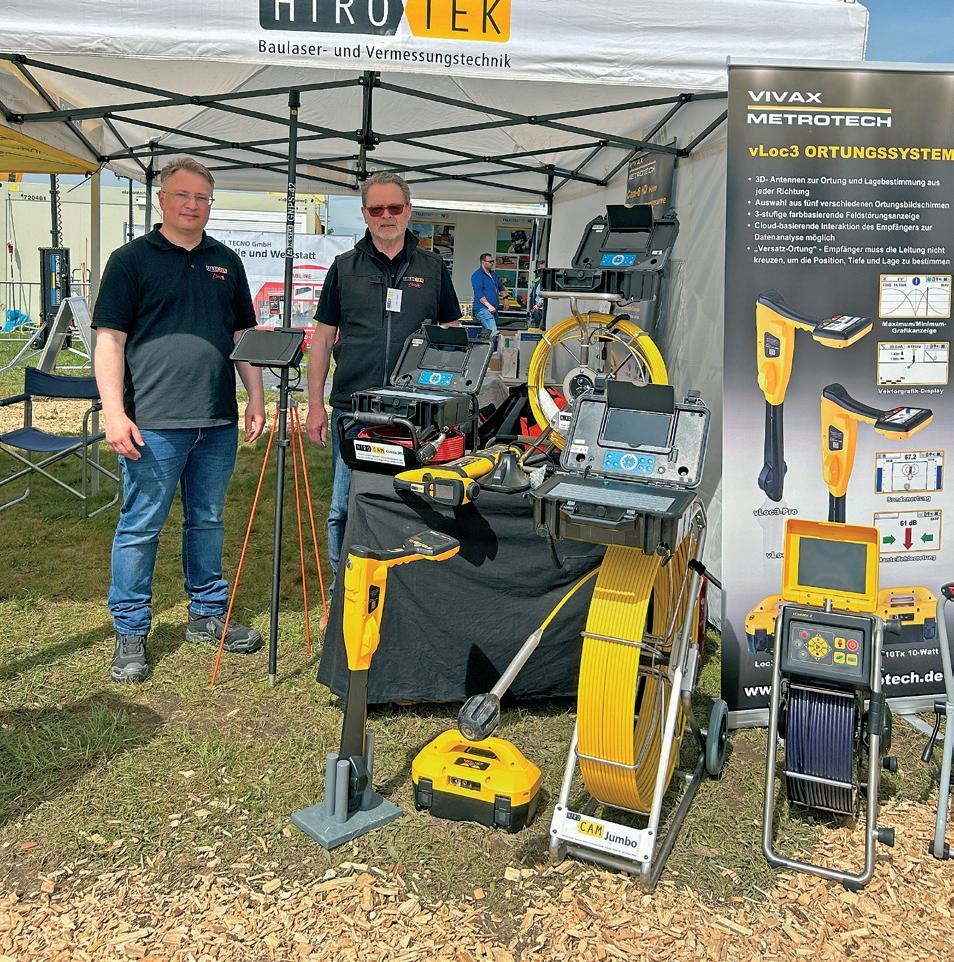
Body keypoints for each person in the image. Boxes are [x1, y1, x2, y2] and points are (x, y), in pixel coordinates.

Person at [93, 157, 266, 684]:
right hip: (152, 422)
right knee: (140, 526)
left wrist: (256, 397)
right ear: (162, 200)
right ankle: (130, 630)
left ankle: (207, 614)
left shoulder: (226, 261)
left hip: (216, 420)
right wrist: (114, 413)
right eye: (183, 195)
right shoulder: (130, 260)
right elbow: (109, 340)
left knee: (208, 520)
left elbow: (242, 336)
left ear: (211, 204)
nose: (193, 205)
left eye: (202, 198)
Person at [305, 172, 461, 585]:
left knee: (412, 501)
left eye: (394, 207)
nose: (386, 216)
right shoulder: (344, 268)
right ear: (364, 214)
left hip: (416, 413)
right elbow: (322, 339)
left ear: (408, 211)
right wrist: (315, 405)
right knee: (344, 506)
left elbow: (453, 336)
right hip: (354, 411)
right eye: (377, 209)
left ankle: (403, 586)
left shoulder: (432, 268)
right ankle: (342, 590)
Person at [470, 253, 508, 334]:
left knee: (487, 334)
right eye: (490, 261)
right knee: (493, 332)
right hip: (483, 309)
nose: (492, 263)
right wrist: (489, 306)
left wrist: (505, 299)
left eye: (492, 261)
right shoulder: (477, 275)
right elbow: (478, 293)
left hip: (494, 310)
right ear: (483, 262)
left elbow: (501, 288)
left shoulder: (493, 274)